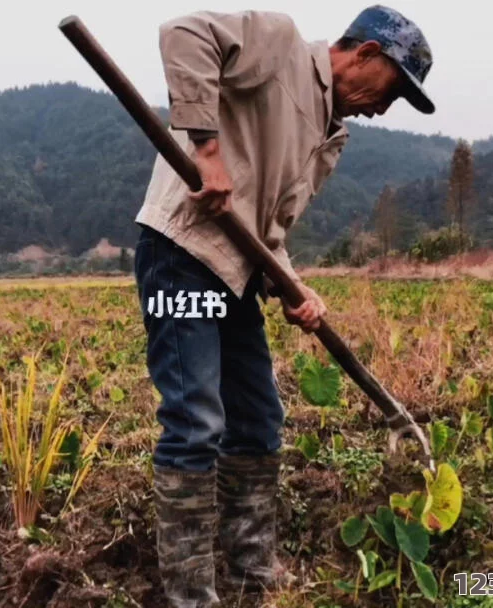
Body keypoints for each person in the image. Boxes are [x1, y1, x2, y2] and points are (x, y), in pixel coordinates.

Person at [132, 5, 435, 606]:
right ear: (365, 54)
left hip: (237, 273)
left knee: (257, 421)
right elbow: (184, 34)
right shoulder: (282, 47)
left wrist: (295, 287)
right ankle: (190, 595)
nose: (383, 108)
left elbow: (266, 232)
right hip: (183, 253)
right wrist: (207, 149)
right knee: (196, 422)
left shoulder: (329, 133)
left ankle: (251, 573)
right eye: (391, 92)